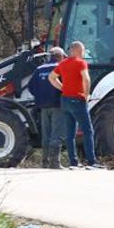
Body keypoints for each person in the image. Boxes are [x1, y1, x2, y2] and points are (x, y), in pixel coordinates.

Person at [48, 41, 104, 170]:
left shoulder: (62, 63)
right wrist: (86, 94)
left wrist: (63, 88)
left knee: (70, 133)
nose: (84, 53)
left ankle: (73, 162)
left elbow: (51, 77)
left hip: (65, 100)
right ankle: (91, 161)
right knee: (88, 130)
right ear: (78, 50)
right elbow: (86, 79)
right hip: (77, 100)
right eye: (83, 51)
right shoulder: (80, 62)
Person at [28, 47, 66, 169]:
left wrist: (40, 98)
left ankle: (45, 162)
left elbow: (31, 87)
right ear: (60, 56)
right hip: (58, 105)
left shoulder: (39, 69)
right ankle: (55, 163)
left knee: (46, 134)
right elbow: (66, 86)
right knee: (56, 133)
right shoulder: (61, 68)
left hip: (43, 107)